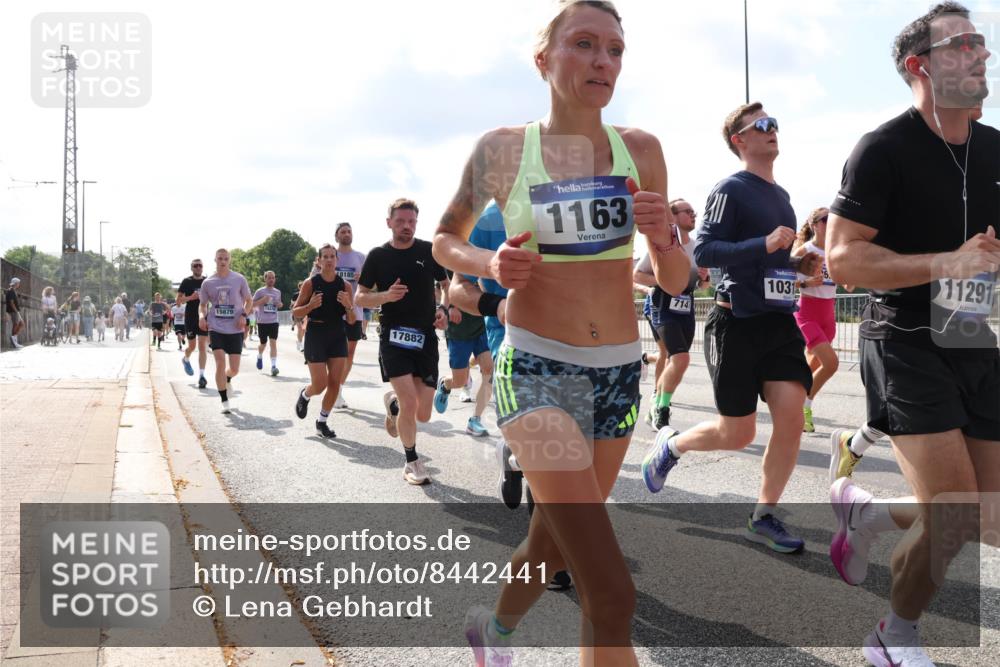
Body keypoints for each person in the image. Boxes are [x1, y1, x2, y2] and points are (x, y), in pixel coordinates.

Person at [432, 2, 691, 663]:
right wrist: (490, 263)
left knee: (552, 544)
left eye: (614, 49)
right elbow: (444, 240)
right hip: (537, 370)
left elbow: (673, 279)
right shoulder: (503, 150)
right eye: (584, 44)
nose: (603, 60)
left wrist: (662, 235)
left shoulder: (642, 150)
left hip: (617, 372)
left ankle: (493, 632)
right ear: (543, 59)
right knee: (610, 592)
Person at [826, 4, 999, 665]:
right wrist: (944, 263)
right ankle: (891, 636)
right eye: (964, 43)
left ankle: (868, 515)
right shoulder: (883, 149)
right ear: (919, 66)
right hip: (903, 339)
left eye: (982, 41)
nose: (982, 52)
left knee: (987, 518)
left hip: (971, 336)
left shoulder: (995, 149)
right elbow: (842, 258)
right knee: (953, 511)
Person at [642, 101, 822, 555]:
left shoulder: (782, 197)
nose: (772, 130)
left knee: (790, 419)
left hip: (778, 323)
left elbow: (771, 260)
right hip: (736, 323)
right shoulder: (731, 188)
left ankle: (763, 515)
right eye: (762, 125)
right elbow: (705, 251)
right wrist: (765, 241)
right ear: (739, 140)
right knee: (738, 432)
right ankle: (671, 447)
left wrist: (798, 265)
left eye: (774, 123)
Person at [357, 198, 450, 486]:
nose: (406, 226)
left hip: (425, 338)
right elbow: (360, 297)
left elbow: (446, 285)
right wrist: (385, 296)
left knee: (423, 413)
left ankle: (393, 404)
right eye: (400, 221)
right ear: (389, 223)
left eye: (411, 221)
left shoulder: (428, 251)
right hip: (393, 337)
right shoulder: (378, 256)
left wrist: (444, 309)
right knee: (411, 403)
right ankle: (412, 462)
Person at [633, 198, 709, 429]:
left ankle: (657, 404)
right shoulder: (662, 245)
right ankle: (661, 408)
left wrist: (704, 279)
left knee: (675, 360)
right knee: (678, 357)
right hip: (663, 304)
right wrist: (667, 281)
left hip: (686, 306)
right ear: (673, 216)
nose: (693, 215)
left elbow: (703, 286)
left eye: (694, 212)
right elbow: (637, 275)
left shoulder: (697, 247)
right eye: (687, 211)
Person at [791, 207, 850, 432]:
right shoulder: (805, 250)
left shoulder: (835, 251)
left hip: (828, 316)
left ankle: (792, 405)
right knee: (831, 364)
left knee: (810, 370)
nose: (830, 222)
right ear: (814, 224)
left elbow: (849, 285)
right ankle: (804, 407)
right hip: (807, 313)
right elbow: (782, 279)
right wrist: (805, 283)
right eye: (826, 219)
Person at [293, 245, 356, 438]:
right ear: (319, 261)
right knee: (320, 384)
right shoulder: (310, 284)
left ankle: (322, 422)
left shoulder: (345, 286)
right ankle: (305, 394)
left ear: (337, 260)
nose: (329, 260)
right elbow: (296, 313)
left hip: (337, 334)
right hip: (316, 334)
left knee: (335, 383)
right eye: (325, 257)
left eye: (332, 257)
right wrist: (310, 306)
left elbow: (352, 320)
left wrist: (348, 306)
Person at [198, 248, 253, 414]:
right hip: (216, 327)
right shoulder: (208, 282)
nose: (223, 261)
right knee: (220, 363)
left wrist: (244, 315)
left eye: (226, 259)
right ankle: (224, 400)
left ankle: (228, 378)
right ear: (215, 260)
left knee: (234, 369)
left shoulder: (239, 279)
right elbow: (203, 304)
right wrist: (202, 317)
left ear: (230, 260)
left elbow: (249, 301)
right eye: (220, 258)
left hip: (235, 328)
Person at [433, 292, 493, 437]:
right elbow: (443, 288)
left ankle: (475, 420)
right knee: (460, 381)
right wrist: (449, 307)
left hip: (481, 326)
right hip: (458, 330)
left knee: (489, 370)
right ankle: (446, 384)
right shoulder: (452, 276)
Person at [332, 222, 367, 408]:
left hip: (355, 311)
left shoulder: (361, 257)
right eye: (343, 232)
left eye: (349, 231)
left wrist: (364, 280)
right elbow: (315, 278)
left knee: (349, 353)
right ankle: (332, 386)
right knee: (335, 353)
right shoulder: (330, 255)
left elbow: (372, 286)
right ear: (336, 236)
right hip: (333, 312)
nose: (346, 234)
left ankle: (338, 389)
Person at [178, 259, 209, 388]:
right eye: (195, 266)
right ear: (191, 268)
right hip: (190, 318)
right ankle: (185, 359)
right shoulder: (186, 281)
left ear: (202, 267)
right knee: (192, 346)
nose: (198, 267)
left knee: (202, 347)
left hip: (203, 317)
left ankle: (201, 376)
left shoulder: (207, 281)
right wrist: (191, 297)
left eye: (200, 265)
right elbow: (178, 300)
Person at [252, 270, 283, 376]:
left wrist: (279, 304)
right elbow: (252, 304)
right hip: (262, 322)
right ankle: (259, 355)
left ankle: (273, 366)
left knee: (273, 343)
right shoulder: (260, 291)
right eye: (269, 278)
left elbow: (279, 304)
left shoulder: (277, 292)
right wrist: (262, 300)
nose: (271, 280)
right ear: (265, 279)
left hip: (274, 321)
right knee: (263, 344)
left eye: (273, 278)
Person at [5, 278, 24, 348]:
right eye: (18, 283)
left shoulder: (13, 290)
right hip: (13, 311)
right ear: (15, 283)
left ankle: (14, 340)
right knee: (16, 324)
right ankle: (14, 341)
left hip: (15, 310)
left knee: (21, 324)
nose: (19, 284)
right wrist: (16, 312)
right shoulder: (11, 290)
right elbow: (11, 303)